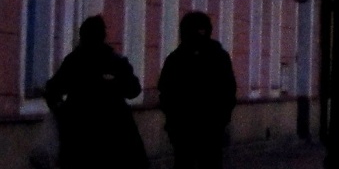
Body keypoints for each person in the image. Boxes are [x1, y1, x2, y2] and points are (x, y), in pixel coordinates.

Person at [45, 15, 146, 168]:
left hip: (80, 133)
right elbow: (133, 90)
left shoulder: (74, 61)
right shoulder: (113, 61)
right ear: (103, 35)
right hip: (114, 132)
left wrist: (63, 113)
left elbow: (52, 90)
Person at [159, 12, 237, 169]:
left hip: (187, 126)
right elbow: (228, 90)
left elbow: (165, 91)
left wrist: (172, 119)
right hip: (207, 125)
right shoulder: (218, 56)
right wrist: (222, 118)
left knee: (185, 161)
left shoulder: (176, 58)